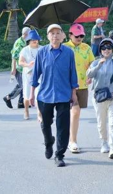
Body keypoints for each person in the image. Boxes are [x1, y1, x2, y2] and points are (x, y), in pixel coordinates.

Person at [29, 24, 79, 167]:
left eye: (58, 33)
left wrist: (74, 93)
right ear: (47, 36)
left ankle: (60, 155)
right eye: (52, 33)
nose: (55, 36)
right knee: (45, 124)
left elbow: (72, 74)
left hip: (64, 94)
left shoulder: (69, 53)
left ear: (63, 36)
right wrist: (32, 94)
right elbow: (36, 74)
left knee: (63, 126)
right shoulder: (42, 52)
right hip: (45, 95)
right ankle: (48, 142)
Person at [63, 23, 94, 154]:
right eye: (77, 36)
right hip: (66, 85)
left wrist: (91, 74)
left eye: (82, 35)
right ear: (70, 35)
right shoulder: (64, 47)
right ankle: (71, 141)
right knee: (73, 112)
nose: (80, 38)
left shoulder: (86, 48)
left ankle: (71, 140)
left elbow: (92, 63)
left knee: (76, 113)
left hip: (81, 84)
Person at [4, 27, 29, 109]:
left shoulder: (25, 42)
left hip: (24, 68)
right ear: (25, 34)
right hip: (19, 68)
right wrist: (13, 68)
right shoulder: (19, 43)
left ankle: (21, 102)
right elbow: (14, 56)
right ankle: (8, 97)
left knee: (23, 84)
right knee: (23, 85)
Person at [18, 29, 42, 120]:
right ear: (29, 41)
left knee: (39, 93)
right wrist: (28, 65)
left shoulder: (42, 48)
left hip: (40, 75)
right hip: (28, 74)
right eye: (32, 40)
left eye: (36, 39)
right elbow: (20, 62)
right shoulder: (25, 50)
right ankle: (26, 111)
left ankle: (39, 113)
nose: (35, 41)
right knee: (27, 94)